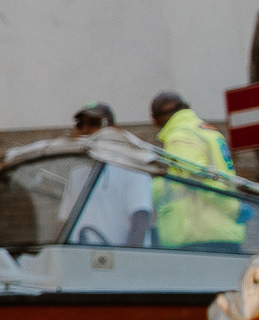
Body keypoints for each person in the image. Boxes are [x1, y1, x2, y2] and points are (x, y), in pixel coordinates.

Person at [149, 90, 245, 251]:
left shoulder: (180, 136)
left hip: (199, 237)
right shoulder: (209, 132)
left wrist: (234, 209)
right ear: (187, 107)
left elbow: (198, 180)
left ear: (154, 121)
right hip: (219, 233)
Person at [64, 102, 153, 248]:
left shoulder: (132, 167)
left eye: (93, 123)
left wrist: (129, 259)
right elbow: (65, 219)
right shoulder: (76, 173)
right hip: (80, 258)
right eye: (80, 124)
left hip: (116, 260)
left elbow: (141, 216)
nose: (86, 129)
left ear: (112, 128)